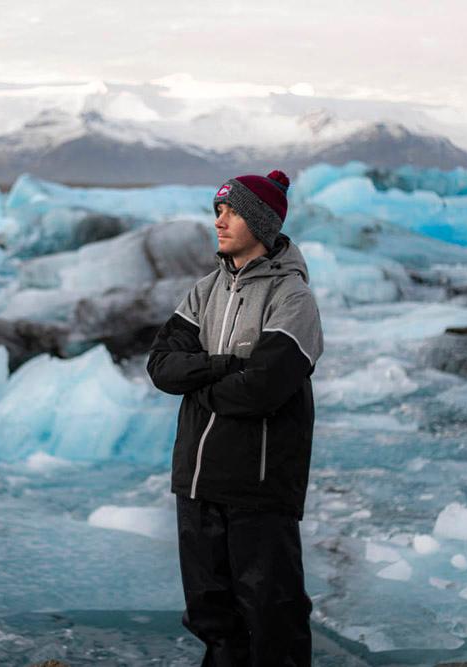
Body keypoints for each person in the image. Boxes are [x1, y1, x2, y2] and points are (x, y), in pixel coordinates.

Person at [146, 169, 323, 666]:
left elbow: (261, 390)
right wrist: (225, 366)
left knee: (273, 619)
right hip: (197, 485)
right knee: (213, 620)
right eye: (217, 210)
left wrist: (197, 382)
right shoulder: (204, 292)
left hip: (258, 489)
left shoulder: (293, 299)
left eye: (231, 211)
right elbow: (161, 366)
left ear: (261, 222)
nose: (219, 221)